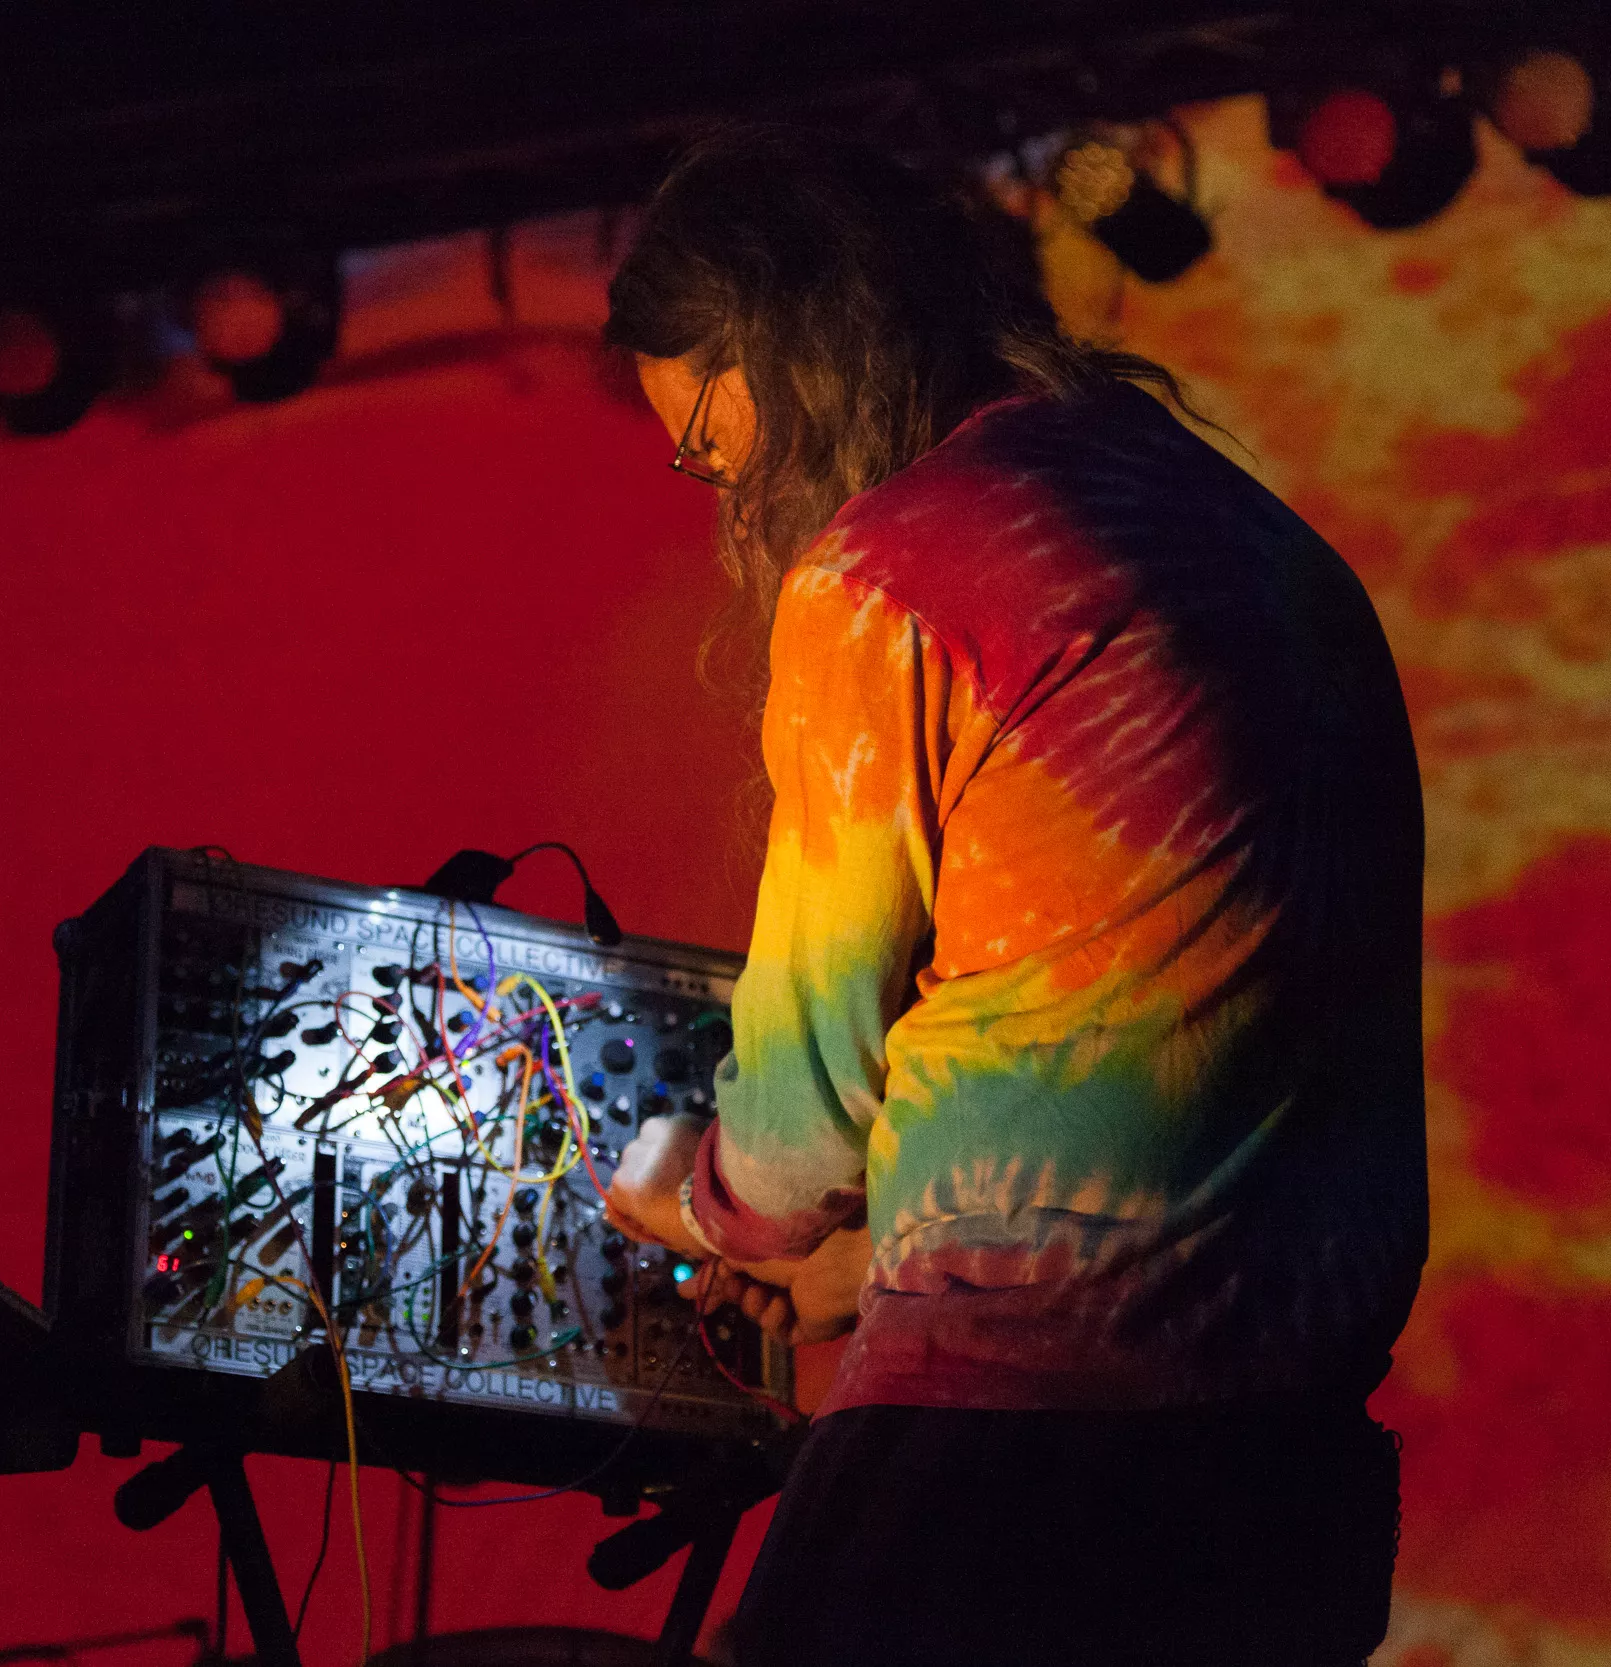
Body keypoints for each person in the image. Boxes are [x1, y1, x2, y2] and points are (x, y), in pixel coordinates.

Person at [599, 126, 1427, 1667]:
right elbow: (1178, 1022)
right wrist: (874, 1257)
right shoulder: (1264, 542)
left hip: (1025, 1443)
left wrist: (698, 1199)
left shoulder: (892, 570)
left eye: (709, 444)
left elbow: (802, 1112)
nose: (728, 501)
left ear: (788, 353)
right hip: (1290, 1467)